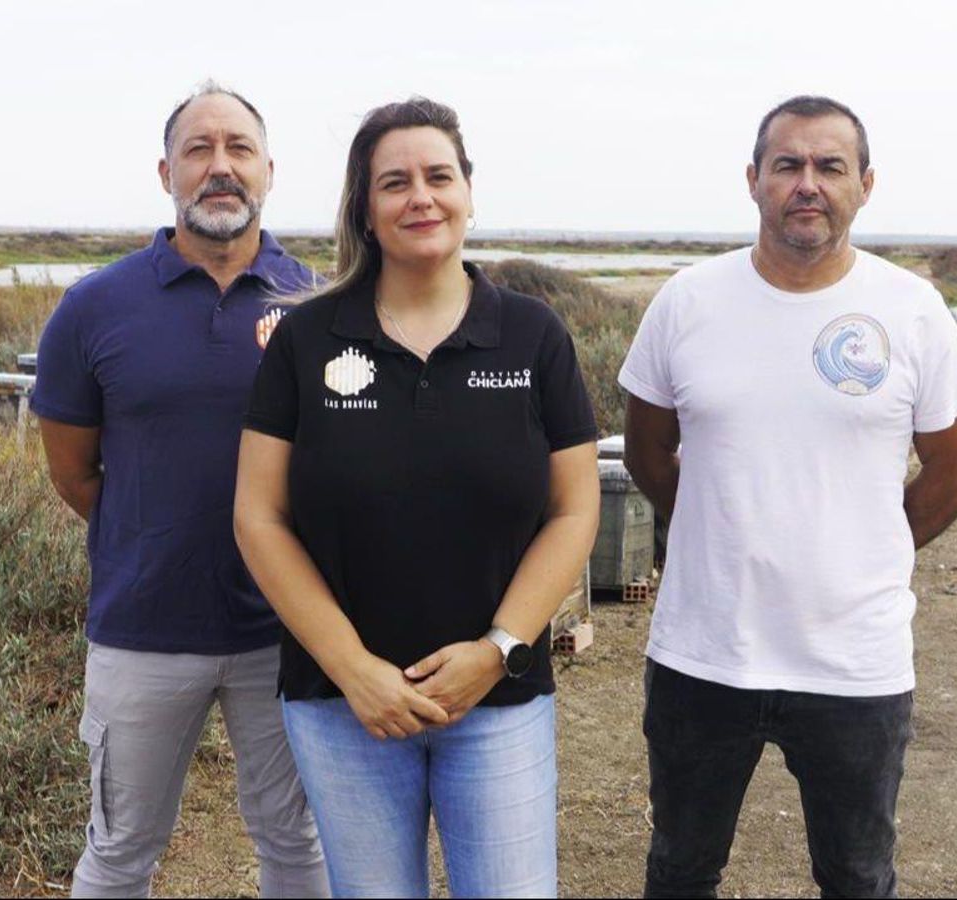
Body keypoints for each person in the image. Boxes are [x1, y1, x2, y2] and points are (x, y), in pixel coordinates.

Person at [234, 96, 600, 899]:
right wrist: (353, 667)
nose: (420, 197)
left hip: (498, 702)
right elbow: (258, 517)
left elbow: (574, 511)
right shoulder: (307, 338)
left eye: (439, 175)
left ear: (468, 190)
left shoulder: (534, 337)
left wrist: (498, 650)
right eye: (394, 182)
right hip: (343, 709)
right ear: (366, 209)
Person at [618, 95, 957, 899]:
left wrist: (864, 550)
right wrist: (720, 527)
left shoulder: (914, 311)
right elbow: (648, 453)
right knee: (680, 870)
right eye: (787, 165)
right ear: (754, 180)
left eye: (830, 166)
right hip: (703, 653)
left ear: (866, 184)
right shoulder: (687, 301)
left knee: (856, 877)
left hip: (854, 663)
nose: (807, 184)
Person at [31, 81, 328, 899]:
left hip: (289, 629)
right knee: (121, 851)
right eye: (199, 149)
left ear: (270, 169)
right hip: (141, 631)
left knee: (298, 844)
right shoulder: (94, 308)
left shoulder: (321, 306)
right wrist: (156, 531)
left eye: (238, 149)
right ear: (166, 171)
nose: (219, 167)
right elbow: (74, 471)